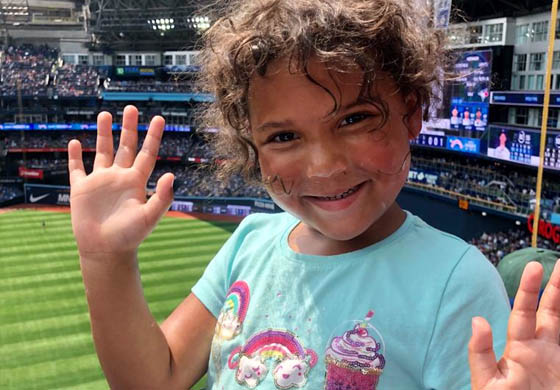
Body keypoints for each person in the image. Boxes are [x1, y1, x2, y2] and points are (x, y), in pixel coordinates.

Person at [67, 0, 560, 389]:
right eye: (283, 137)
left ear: (411, 110)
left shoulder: (458, 282)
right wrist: (105, 259)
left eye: (354, 119)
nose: (324, 167)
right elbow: (154, 379)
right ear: (251, 146)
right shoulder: (249, 242)